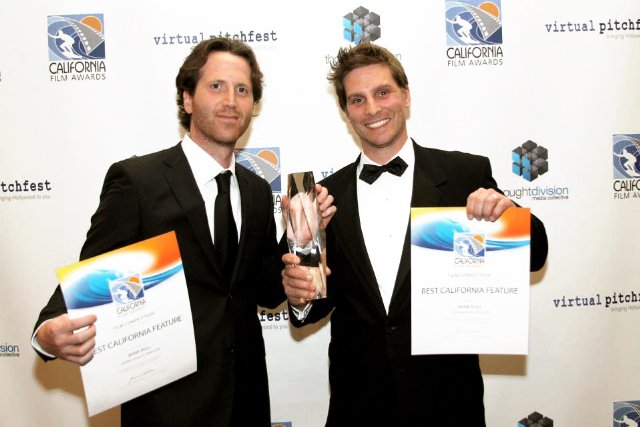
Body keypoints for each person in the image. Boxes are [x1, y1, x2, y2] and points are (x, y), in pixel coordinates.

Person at [32, 37, 334, 427]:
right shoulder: (138, 181)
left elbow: (262, 290)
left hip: (246, 403)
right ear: (187, 98)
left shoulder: (258, 191)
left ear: (252, 105)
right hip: (166, 408)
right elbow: (91, 273)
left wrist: (300, 242)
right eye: (216, 86)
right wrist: (47, 331)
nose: (230, 100)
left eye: (242, 90)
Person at [282, 41, 548, 426]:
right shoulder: (320, 198)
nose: (372, 109)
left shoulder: (463, 175)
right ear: (345, 112)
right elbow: (308, 309)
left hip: (447, 402)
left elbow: (535, 254)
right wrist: (298, 293)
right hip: (359, 406)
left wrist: (510, 214)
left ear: (406, 96)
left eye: (383, 92)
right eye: (357, 100)